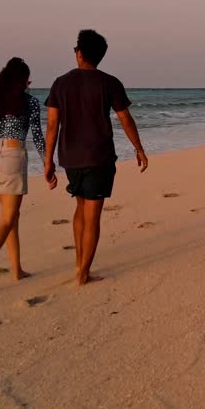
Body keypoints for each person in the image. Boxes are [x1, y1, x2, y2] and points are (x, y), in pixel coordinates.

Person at [44, 29, 149, 287]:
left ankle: (80, 264)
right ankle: (83, 273)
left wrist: (48, 161)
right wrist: (139, 148)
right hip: (99, 157)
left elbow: (52, 125)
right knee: (92, 215)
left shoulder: (60, 83)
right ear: (99, 56)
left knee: (80, 208)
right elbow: (125, 118)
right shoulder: (109, 82)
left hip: (70, 157)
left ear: (79, 53)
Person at [0, 57, 47, 297]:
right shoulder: (30, 103)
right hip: (13, 158)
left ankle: (17, 270)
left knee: (11, 218)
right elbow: (37, 136)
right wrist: (48, 164)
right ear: (23, 81)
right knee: (6, 221)